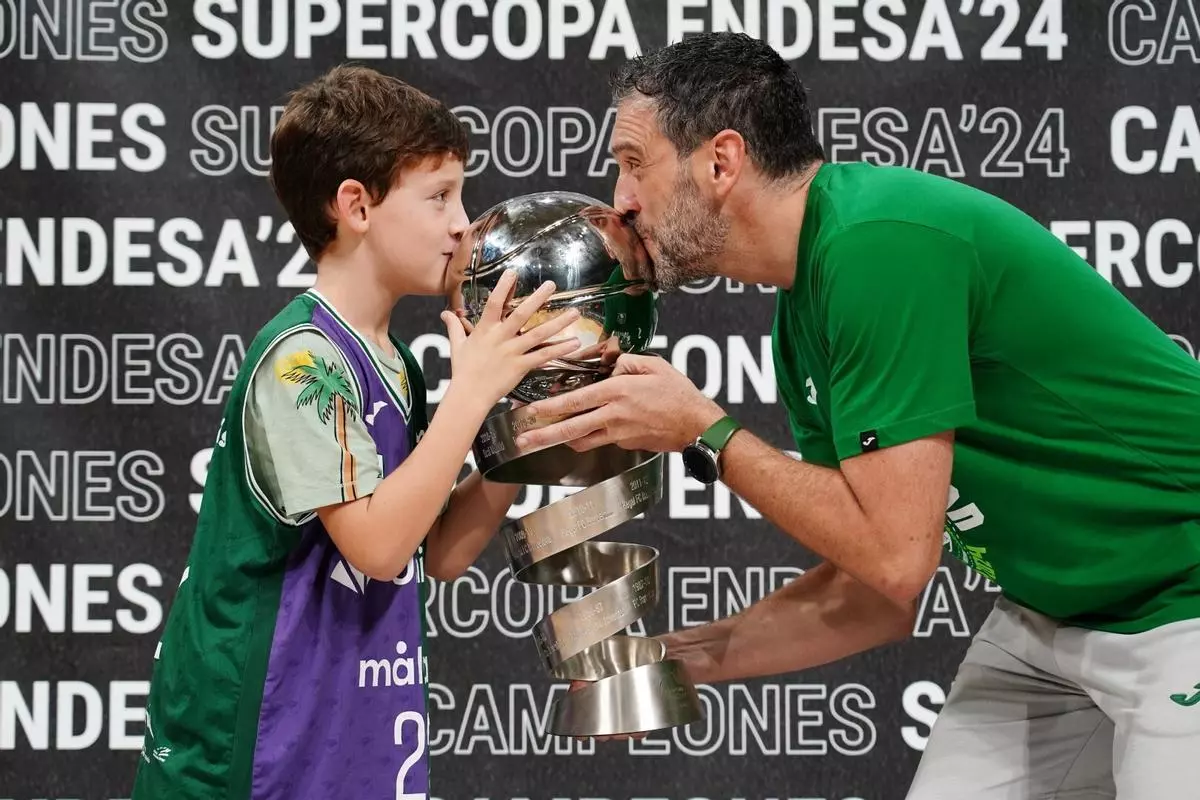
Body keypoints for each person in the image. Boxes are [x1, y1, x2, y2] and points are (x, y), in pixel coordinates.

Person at [514, 32, 1200, 798]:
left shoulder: (879, 248)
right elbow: (874, 595)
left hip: (1182, 599)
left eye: (634, 162)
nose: (621, 199)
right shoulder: (804, 310)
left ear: (721, 162)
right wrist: (678, 659)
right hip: (1048, 619)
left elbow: (897, 558)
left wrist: (703, 430)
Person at [130, 65, 581, 800]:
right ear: (356, 206)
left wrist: (524, 438)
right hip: (257, 744)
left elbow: (438, 550)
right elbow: (376, 546)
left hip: (354, 724)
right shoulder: (301, 359)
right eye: (438, 196)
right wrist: (472, 394)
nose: (463, 223)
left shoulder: (396, 362)